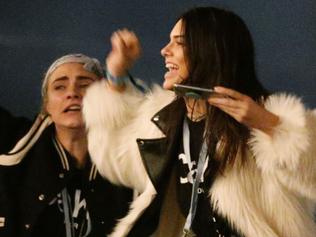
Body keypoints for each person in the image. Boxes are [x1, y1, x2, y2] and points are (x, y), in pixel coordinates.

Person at [83, 6, 316, 237]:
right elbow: (114, 158)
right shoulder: (165, 118)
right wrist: (115, 76)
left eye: (180, 42)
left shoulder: (261, 117)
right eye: (169, 41)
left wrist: (270, 126)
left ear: (211, 50)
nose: (165, 50)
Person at [0, 54, 134, 237]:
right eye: (59, 87)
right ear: (47, 104)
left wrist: (118, 76)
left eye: (85, 85)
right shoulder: (15, 142)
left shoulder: (128, 161)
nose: (72, 93)